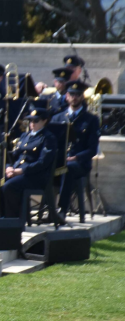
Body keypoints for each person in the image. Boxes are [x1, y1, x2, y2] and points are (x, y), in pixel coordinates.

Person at [51, 80, 100, 218]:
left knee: (68, 168)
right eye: (71, 94)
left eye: (77, 94)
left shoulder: (90, 120)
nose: (74, 97)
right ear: (66, 96)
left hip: (79, 164)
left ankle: (62, 211)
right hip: (60, 160)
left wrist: (76, 157)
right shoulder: (57, 118)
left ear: (82, 96)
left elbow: (92, 149)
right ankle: (46, 208)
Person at [1, 108, 57, 219]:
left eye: (36, 121)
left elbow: (42, 163)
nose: (32, 124)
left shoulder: (48, 138)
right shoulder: (25, 136)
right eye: (30, 121)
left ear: (44, 120)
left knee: (9, 186)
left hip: (34, 176)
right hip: (18, 172)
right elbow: (13, 155)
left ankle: (13, 219)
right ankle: (0, 215)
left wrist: (21, 171)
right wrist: (8, 167)